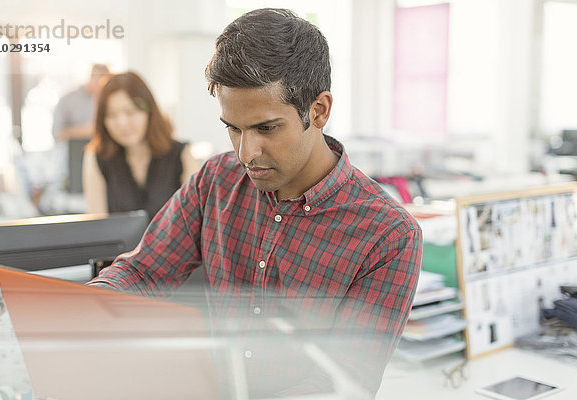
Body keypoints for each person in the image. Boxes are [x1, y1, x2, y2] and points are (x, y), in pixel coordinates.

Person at [88, 8, 422, 397]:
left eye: (266, 128)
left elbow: (341, 383)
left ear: (319, 111)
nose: (246, 152)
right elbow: (144, 273)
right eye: (233, 128)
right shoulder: (216, 180)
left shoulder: (389, 237)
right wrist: (86, 309)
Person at [82, 72, 198, 219]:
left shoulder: (181, 154)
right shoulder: (97, 157)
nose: (122, 123)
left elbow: (199, 221)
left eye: (130, 112)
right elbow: (97, 226)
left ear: (149, 111)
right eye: (111, 114)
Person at [52, 64, 110, 142]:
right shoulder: (68, 100)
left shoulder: (106, 99)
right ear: (92, 77)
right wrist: (88, 130)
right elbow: (56, 132)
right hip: (74, 150)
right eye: (100, 82)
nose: (102, 86)